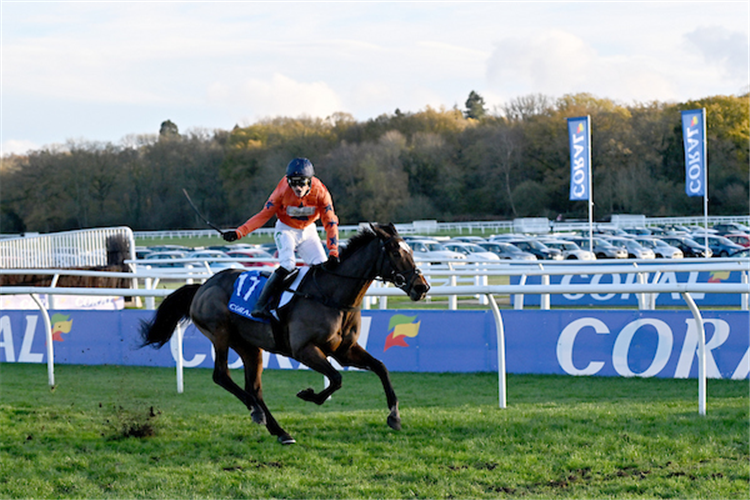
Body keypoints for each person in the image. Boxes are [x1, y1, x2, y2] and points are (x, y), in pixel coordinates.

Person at [223, 157, 339, 319]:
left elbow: (330, 222)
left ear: (310, 181)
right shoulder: (282, 190)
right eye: (293, 182)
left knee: (321, 267)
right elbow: (264, 215)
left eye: (301, 182)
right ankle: (261, 304)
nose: (297, 188)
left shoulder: (321, 193)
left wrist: (333, 251)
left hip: (308, 231)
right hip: (285, 229)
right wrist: (239, 232)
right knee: (288, 265)